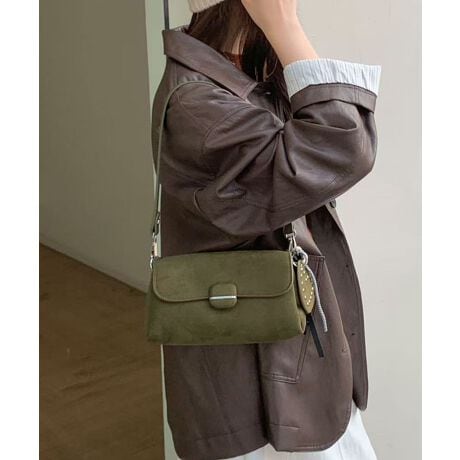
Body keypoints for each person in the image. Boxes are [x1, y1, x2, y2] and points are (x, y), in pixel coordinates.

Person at [150, 1, 382, 458]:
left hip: (288, 350)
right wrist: (286, 26)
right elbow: (345, 147)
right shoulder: (196, 104)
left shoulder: (243, 72)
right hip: (254, 372)